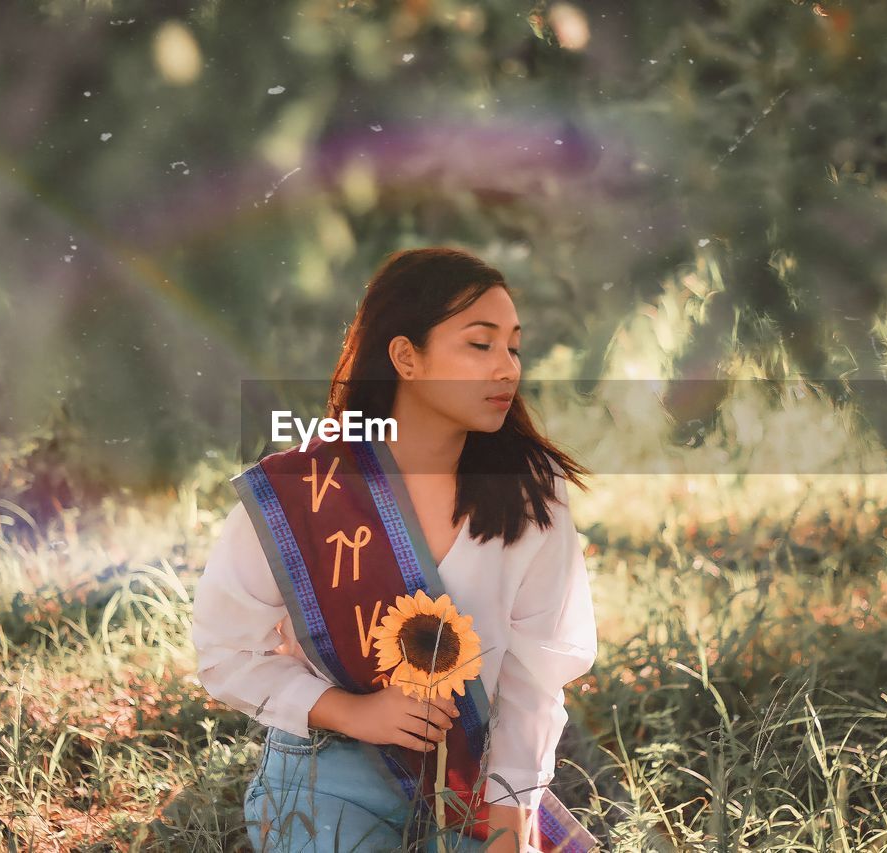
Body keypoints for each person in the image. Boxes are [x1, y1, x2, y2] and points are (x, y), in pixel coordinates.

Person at [192, 247, 600, 852]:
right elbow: (226, 650)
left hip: (474, 783)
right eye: (480, 345)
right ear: (407, 357)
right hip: (328, 772)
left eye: (513, 347)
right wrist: (352, 712)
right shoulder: (304, 490)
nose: (507, 368)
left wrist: (511, 828)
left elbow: (534, 676)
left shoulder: (532, 492)